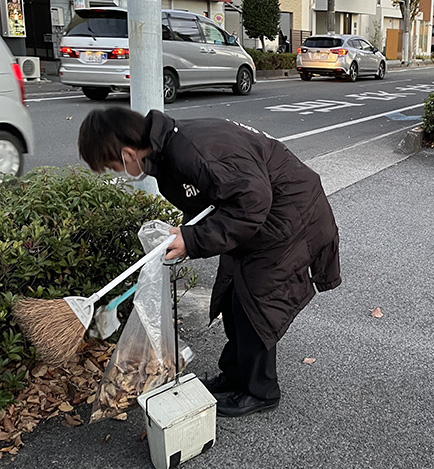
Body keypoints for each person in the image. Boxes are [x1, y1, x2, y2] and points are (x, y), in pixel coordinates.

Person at [78, 108, 341, 417]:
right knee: (231, 296)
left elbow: (252, 201)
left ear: (126, 153)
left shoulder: (193, 150)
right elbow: (209, 199)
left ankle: (261, 391)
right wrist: (188, 234)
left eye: (113, 166)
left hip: (288, 215)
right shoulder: (166, 152)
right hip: (258, 216)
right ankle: (234, 375)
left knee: (255, 303)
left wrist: (193, 240)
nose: (118, 172)